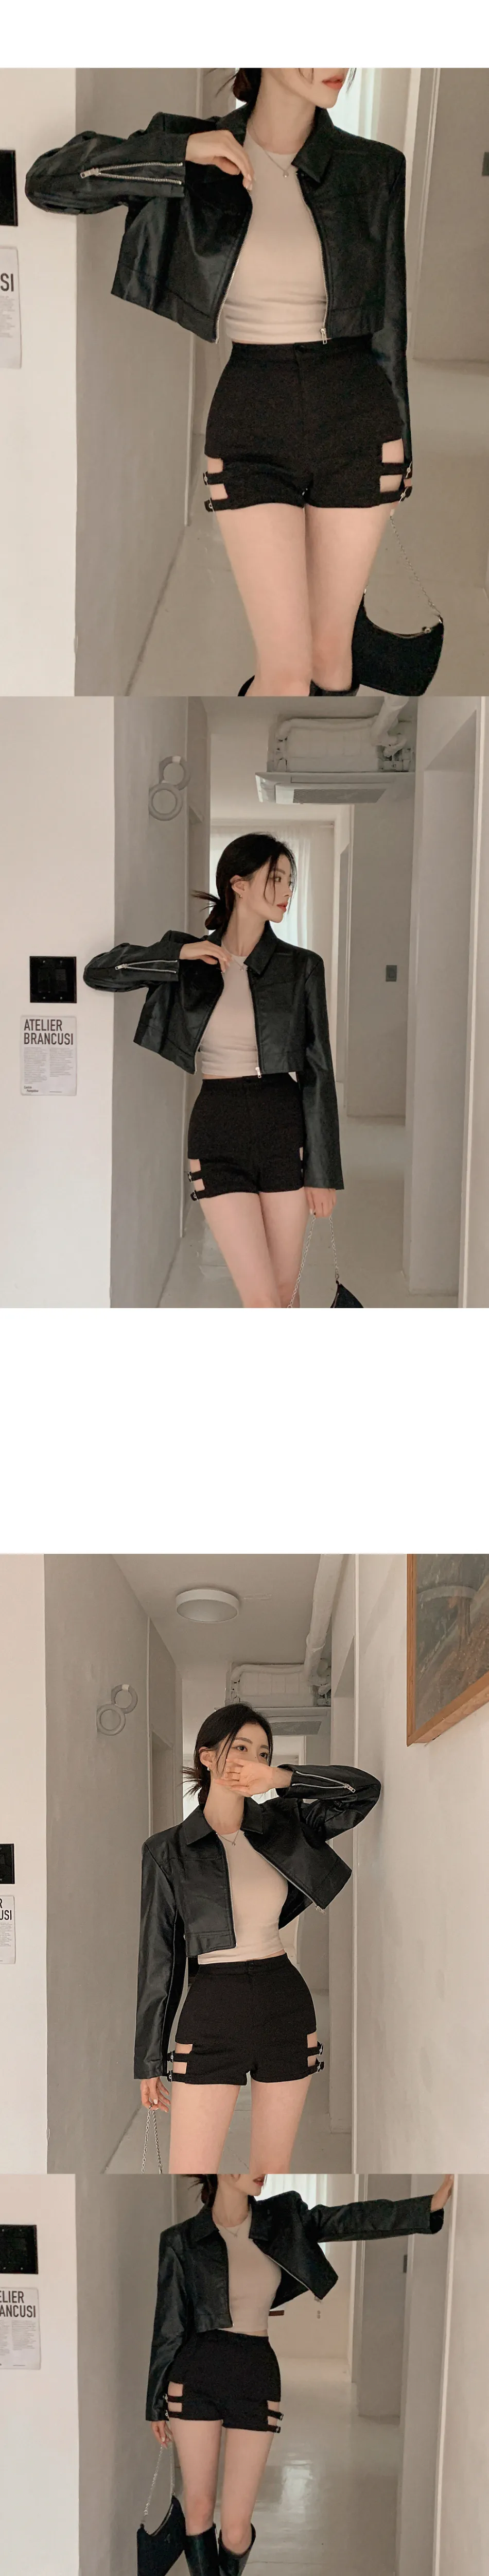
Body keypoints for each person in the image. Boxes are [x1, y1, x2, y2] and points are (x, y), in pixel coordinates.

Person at [26, 67, 411, 696]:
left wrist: (403, 448)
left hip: (358, 417)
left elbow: (390, 320)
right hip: (250, 416)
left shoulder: (373, 168)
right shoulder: (197, 152)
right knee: (285, 673)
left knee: (330, 658)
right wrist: (177, 152)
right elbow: (47, 182)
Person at [145, 2168, 453, 2575]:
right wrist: (155, 2403)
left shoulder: (283, 2217)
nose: (264, 2169)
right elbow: (169, 2324)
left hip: (255, 2373)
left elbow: (345, 2220)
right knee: (198, 2509)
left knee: (236, 2530)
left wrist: (425, 2208)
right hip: (195, 2375)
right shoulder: (180, 2239)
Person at [84, 834, 343, 1310]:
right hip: (217, 1129)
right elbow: (99, 972)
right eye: (276, 878)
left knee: (284, 1297)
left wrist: (323, 1171)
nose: (287, 891)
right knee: (261, 1300)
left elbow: (318, 1069)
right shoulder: (191, 959)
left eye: (290, 880)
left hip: (283, 1126)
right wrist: (178, 955)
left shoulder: (302, 967)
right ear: (239, 885)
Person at [135, 1702, 381, 2171]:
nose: (253, 1760)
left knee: (271, 2168)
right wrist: (148, 2060)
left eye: (262, 1753)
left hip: (284, 2001)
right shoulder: (166, 1850)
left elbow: (363, 1791)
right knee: (192, 2169)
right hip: (211, 2012)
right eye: (241, 1748)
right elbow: (158, 1959)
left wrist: (281, 1778)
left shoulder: (286, 1825)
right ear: (208, 1757)